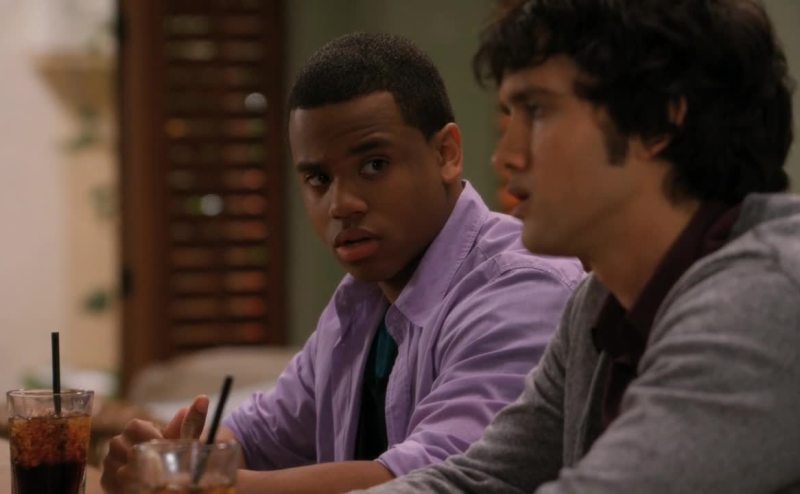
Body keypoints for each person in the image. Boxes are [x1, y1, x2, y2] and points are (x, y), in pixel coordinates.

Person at [101, 32, 583, 493]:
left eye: (374, 165)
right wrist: (171, 461)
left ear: (446, 153)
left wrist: (210, 484)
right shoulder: (359, 302)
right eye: (318, 179)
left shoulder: (521, 289)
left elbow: (437, 478)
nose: (341, 204)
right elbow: (257, 437)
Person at [353, 0, 800, 493]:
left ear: (657, 121)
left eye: (537, 111)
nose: (505, 156)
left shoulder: (766, 300)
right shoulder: (600, 301)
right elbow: (482, 478)